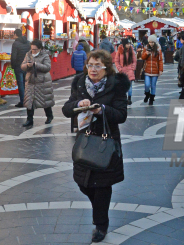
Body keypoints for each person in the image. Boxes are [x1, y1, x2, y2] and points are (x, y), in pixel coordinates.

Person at [62, 50, 129, 243]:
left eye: (97, 66)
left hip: (105, 143)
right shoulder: (79, 83)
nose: (92, 69)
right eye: (90, 65)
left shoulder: (116, 85)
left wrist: (103, 110)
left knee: (102, 186)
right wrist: (78, 103)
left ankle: (101, 224)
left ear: (106, 68)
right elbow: (66, 110)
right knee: (83, 183)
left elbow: (121, 115)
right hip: (85, 141)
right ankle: (99, 210)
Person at [21, 39, 54, 127]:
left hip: (42, 82)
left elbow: (47, 67)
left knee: (44, 100)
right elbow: (22, 65)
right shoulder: (28, 54)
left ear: (40, 49)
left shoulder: (45, 55)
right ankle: (29, 119)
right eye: (32, 49)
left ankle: (49, 116)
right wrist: (27, 65)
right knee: (29, 101)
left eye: (35, 49)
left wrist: (36, 64)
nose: (33, 51)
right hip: (30, 82)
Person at [10, 29, 30, 108]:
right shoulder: (28, 43)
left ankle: (22, 101)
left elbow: (13, 56)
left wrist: (13, 65)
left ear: (15, 34)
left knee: (20, 84)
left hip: (19, 66)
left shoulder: (15, 43)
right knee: (26, 84)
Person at [141, 34, 164, 105]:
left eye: (152, 42)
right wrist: (146, 54)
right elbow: (142, 57)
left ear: (155, 42)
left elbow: (160, 60)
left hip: (155, 70)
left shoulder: (158, 49)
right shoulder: (146, 48)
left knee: (153, 85)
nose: (151, 44)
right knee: (147, 85)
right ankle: (147, 94)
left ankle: (151, 98)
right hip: (147, 70)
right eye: (150, 42)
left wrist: (160, 70)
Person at [115, 38, 137, 105]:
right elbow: (116, 61)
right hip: (123, 71)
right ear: (124, 44)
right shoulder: (119, 51)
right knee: (123, 86)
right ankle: (124, 98)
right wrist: (120, 69)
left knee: (130, 87)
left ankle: (129, 99)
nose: (129, 45)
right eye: (127, 44)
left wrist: (133, 68)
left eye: (129, 44)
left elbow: (134, 60)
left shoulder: (131, 50)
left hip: (130, 70)